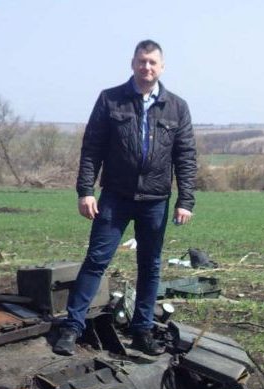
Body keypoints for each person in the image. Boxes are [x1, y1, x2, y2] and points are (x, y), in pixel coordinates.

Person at [53, 39, 197, 356]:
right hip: (115, 197)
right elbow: (91, 149)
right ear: (133, 63)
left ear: (162, 67)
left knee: (150, 266)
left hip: (156, 200)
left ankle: (142, 330)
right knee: (96, 261)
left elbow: (185, 156)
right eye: (142, 61)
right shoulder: (110, 100)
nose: (147, 67)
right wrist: (85, 191)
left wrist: (186, 199)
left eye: (152, 62)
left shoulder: (177, 107)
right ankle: (71, 328)